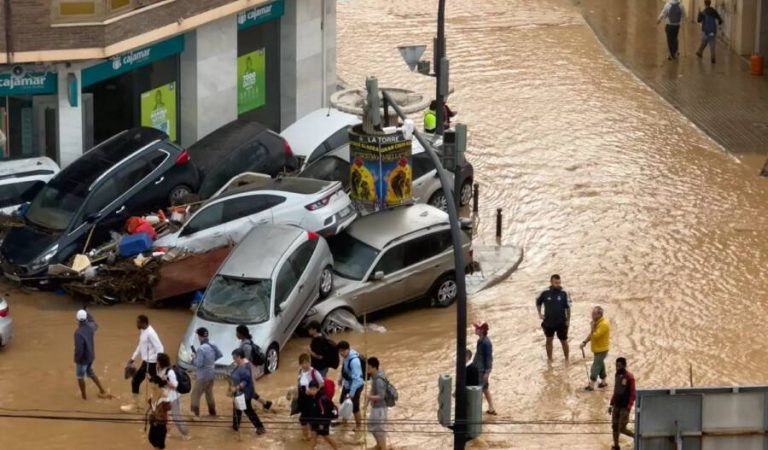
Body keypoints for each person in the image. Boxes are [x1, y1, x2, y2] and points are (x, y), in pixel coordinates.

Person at [122, 314, 164, 412]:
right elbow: (140, 345)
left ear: (143, 323)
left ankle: (136, 405)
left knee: (137, 381)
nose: (136, 324)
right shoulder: (143, 331)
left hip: (151, 363)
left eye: (138, 322)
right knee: (152, 383)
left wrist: (156, 361)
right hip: (146, 362)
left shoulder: (150, 333)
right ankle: (158, 401)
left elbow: (160, 348)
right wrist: (133, 358)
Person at [73, 309, 108, 400]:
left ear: (77, 319)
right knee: (90, 372)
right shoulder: (91, 327)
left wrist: (77, 359)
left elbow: (79, 349)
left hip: (82, 359)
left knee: (80, 376)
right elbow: (94, 322)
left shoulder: (78, 333)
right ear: (86, 318)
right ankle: (102, 390)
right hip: (91, 356)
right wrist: (87, 312)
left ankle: (84, 397)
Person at [236, 324, 272, 411]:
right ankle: (265, 403)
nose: (236, 334)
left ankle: (243, 408)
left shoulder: (246, 346)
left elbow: (246, 360)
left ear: (241, 334)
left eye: (237, 333)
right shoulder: (245, 342)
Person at [536, 274, 572, 361]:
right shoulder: (544, 292)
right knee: (549, 340)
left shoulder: (565, 293)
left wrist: (568, 320)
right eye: (556, 283)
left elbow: (568, 307)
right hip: (548, 322)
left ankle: (567, 359)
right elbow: (538, 302)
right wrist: (540, 314)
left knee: (564, 341)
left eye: (559, 282)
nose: (558, 285)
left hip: (561, 322)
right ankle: (550, 359)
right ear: (551, 282)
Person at [230, 348, 266, 435]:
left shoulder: (244, 367)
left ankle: (260, 427)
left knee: (248, 410)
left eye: (234, 357)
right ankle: (235, 425)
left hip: (245, 393)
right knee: (237, 408)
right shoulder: (240, 364)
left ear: (239, 357)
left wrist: (237, 388)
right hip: (240, 393)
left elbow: (245, 381)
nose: (233, 359)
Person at [156, 353, 190, 440]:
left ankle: (186, 434)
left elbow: (175, 385)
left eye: (157, 361)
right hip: (162, 397)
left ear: (161, 362)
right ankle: (166, 432)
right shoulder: (158, 370)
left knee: (176, 417)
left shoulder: (170, 372)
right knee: (161, 417)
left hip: (172, 398)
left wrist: (165, 382)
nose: (156, 363)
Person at [190, 327, 222, 417]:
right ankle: (212, 413)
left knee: (195, 395)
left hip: (202, 376)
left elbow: (198, 364)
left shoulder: (201, 349)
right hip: (211, 373)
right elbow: (220, 355)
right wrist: (210, 361)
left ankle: (195, 416)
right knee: (209, 393)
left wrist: (192, 359)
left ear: (200, 336)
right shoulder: (213, 344)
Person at [580, 306, 611, 391]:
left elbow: (595, 336)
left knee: (595, 366)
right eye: (592, 313)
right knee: (600, 365)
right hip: (597, 349)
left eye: (594, 314)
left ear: (599, 314)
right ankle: (603, 382)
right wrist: (585, 342)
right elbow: (591, 335)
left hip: (602, 349)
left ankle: (591, 385)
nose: (592, 315)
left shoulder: (604, 324)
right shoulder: (597, 322)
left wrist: (592, 327)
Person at [609, 357, 636, 450]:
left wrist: (629, 407)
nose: (617, 367)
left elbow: (633, 394)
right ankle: (616, 446)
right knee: (614, 427)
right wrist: (611, 404)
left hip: (625, 407)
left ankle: (636, 437)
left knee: (622, 428)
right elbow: (616, 390)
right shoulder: (616, 375)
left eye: (619, 366)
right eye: (616, 365)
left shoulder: (630, 377)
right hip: (616, 405)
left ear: (624, 366)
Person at [297, 353, 326, 440]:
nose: (305, 365)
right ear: (300, 364)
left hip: (312, 399)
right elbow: (298, 384)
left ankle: (313, 437)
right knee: (303, 418)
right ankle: (307, 436)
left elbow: (322, 383)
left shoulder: (314, 372)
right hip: (303, 398)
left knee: (310, 417)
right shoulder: (300, 372)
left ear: (310, 362)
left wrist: (314, 391)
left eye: (307, 362)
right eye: (303, 363)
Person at [337, 340, 364, 432]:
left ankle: (359, 426)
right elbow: (344, 368)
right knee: (344, 402)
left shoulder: (354, 361)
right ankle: (344, 422)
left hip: (356, 386)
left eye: (343, 351)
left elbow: (357, 379)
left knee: (355, 407)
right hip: (348, 384)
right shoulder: (346, 357)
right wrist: (341, 379)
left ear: (348, 349)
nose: (341, 353)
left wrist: (351, 393)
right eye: (340, 351)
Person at [305, 380, 340, 450]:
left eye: (314, 389)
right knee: (313, 437)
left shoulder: (321, 399)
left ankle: (336, 448)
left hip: (323, 422)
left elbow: (325, 413)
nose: (312, 391)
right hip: (316, 421)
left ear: (318, 389)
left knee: (326, 437)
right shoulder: (312, 397)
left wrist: (322, 424)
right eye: (311, 389)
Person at [472, 322, 496, 415]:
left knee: (478, 390)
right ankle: (491, 408)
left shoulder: (486, 343)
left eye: (477, 328)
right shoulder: (480, 341)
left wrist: (487, 373)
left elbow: (489, 358)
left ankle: (476, 411)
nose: (475, 329)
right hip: (478, 368)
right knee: (485, 388)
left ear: (482, 330)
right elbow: (478, 355)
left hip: (482, 371)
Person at [365, 357, 389, 450]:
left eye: (368, 368)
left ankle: (383, 447)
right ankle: (378, 445)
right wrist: (367, 403)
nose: (367, 369)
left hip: (380, 408)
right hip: (375, 407)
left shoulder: (379, 380)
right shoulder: (373, 377)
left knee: (379, 429)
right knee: (371, 426)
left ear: (374, 368)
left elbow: (381, 396)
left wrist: (368, 397)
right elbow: (372, 391)